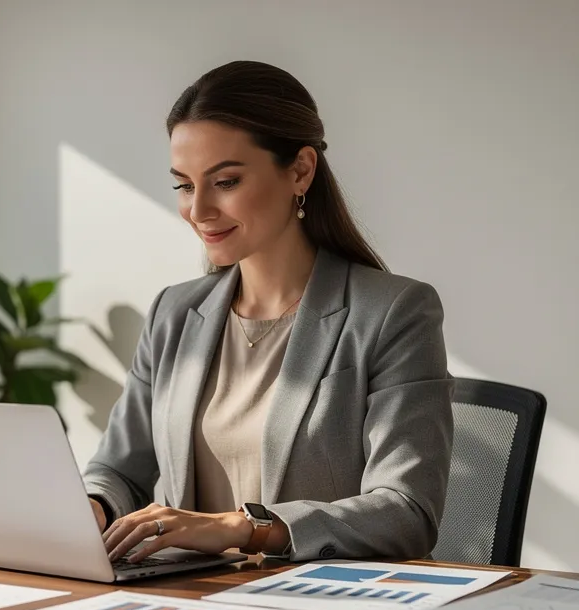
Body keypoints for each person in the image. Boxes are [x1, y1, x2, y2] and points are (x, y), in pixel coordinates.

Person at [84, 60, 454, 565]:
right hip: (191, 606)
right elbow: (119, 471)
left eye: (226, 181)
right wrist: (94, 508)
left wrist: (245, 527)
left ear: (300, 170)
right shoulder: (174, 312)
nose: (198, 210)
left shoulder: (393, 312)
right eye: (184, 186)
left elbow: (407, 512)